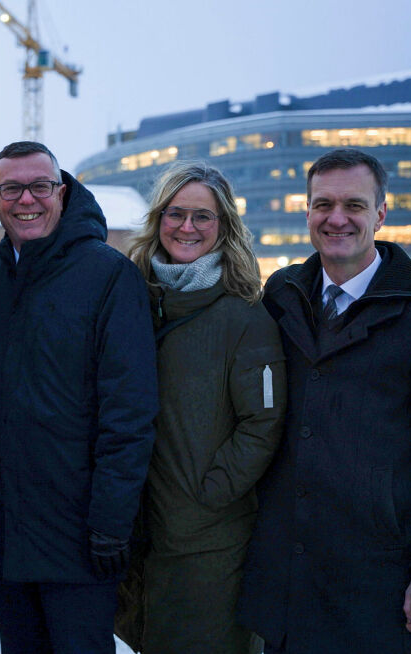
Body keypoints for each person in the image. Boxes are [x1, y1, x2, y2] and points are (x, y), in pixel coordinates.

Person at [239, 148, 411, 653]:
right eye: (322, 204)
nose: (336, 218)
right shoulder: (283, 294)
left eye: (353, 204)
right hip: (292, 578)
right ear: (306, 211)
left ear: (380, 213)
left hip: (384, 582)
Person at [0, 141, 158, 653]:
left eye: (40, 186)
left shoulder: (108, 275)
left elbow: (129, 412)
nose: (26, 200)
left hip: (80, 536)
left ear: (62, 192)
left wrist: (109, 523)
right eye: (12, 189)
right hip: (13, 532)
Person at [115, 161, 285, 654]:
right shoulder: (134, 299)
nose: (187, 227)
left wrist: (210, 494)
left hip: (209, 540)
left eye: (203, 217)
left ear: (224, 226)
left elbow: (264, 422)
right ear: (158, 219)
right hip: (141, 530)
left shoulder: (243, 315)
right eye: (176, 213)